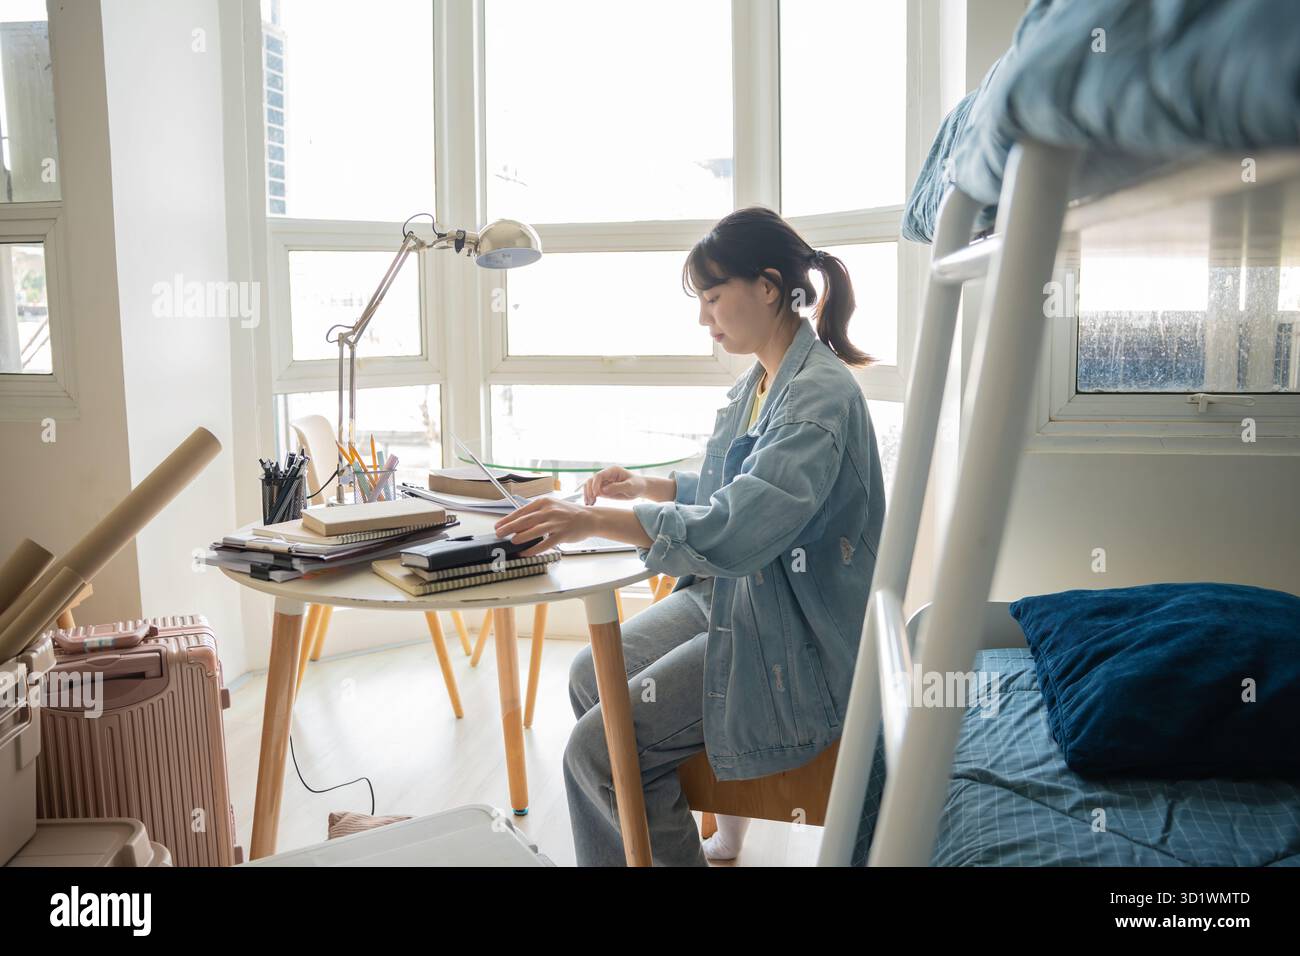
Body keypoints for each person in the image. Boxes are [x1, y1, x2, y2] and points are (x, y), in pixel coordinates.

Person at [493, 206, 886, 866]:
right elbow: (727, 490)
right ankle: (671, 845)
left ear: (766, 286)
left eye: (712, 298)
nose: (705, 319)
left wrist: (591, 520)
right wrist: (650, 489)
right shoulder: (756, 386)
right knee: (594, 675)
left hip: (796, 638)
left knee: (596, 750)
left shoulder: (818, 397)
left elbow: (735, 529)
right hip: (734, 600)